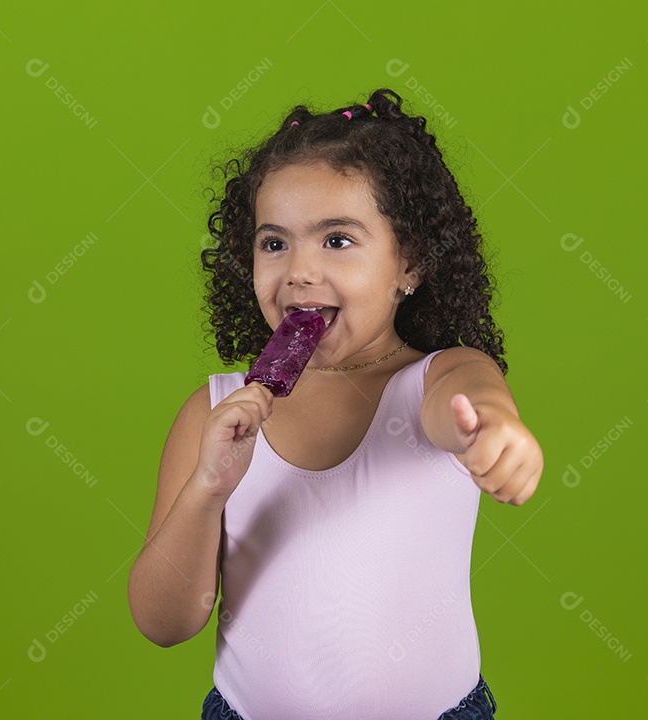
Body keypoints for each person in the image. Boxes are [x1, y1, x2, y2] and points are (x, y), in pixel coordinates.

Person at [128, 88, 544, 720]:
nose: (299, 270)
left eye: (337, 240)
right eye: (274, 244)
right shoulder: (213, 411)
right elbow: (163, 622)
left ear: (410, 262)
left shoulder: (440, 376)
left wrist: (490, 432)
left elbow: (464, 404)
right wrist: (207, 489)